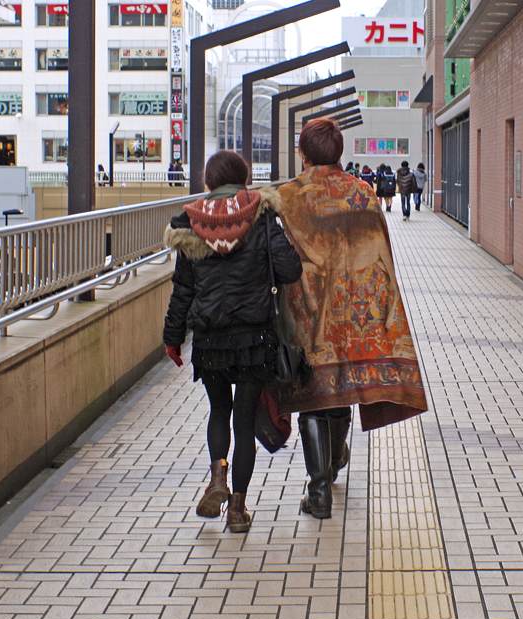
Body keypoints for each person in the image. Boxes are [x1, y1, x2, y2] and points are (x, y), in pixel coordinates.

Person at [273, 118, 428, 520]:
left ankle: (319, 489)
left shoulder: (287, 197)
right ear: (339, 152)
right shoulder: (364, 193)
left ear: (303, 154)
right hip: (358, 311)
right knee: (341, 390)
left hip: (307, 312)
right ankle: (336, 458)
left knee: (314, 397)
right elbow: (382, 253)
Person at [163, 150, 303, 533]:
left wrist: (172, 338)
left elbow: (183, 291)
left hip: (210, 338)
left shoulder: (191, 221)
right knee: (244, 421)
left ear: (209, 182)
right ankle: (238, 509)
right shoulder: (261, 214)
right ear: (244, 179)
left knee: (219, 413)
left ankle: (217, 477)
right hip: (256, 336)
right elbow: (290, 270)